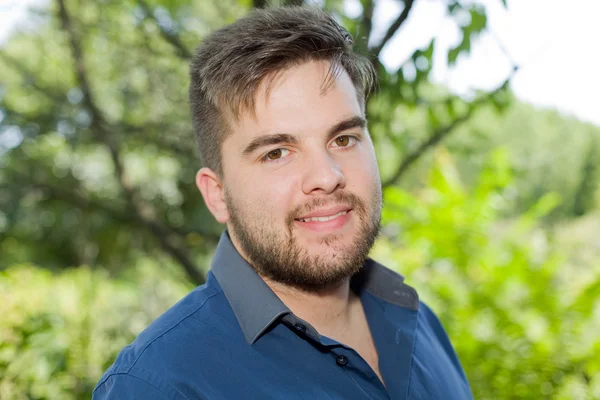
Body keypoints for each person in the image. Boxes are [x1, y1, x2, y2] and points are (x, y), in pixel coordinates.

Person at [93, 6, 473, 400]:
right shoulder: (158, 385)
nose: (326, 177)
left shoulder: (418, 322)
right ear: (217, 194)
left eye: (343, 139)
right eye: (276, 152)